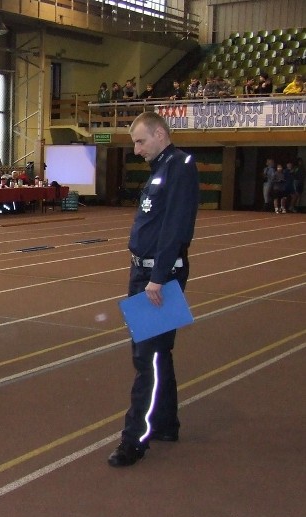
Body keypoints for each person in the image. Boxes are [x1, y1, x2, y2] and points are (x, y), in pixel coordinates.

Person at [108, 111, 199, 468]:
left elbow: (175, 227)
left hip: (157, 278)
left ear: (160, 134)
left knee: (147, 359)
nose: (136, 149)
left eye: (141, 141)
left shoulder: (178, 167)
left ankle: (135, 438)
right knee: (158, 353)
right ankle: (164, 423)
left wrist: (158, 278)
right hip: (146, 275)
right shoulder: (162, 169)